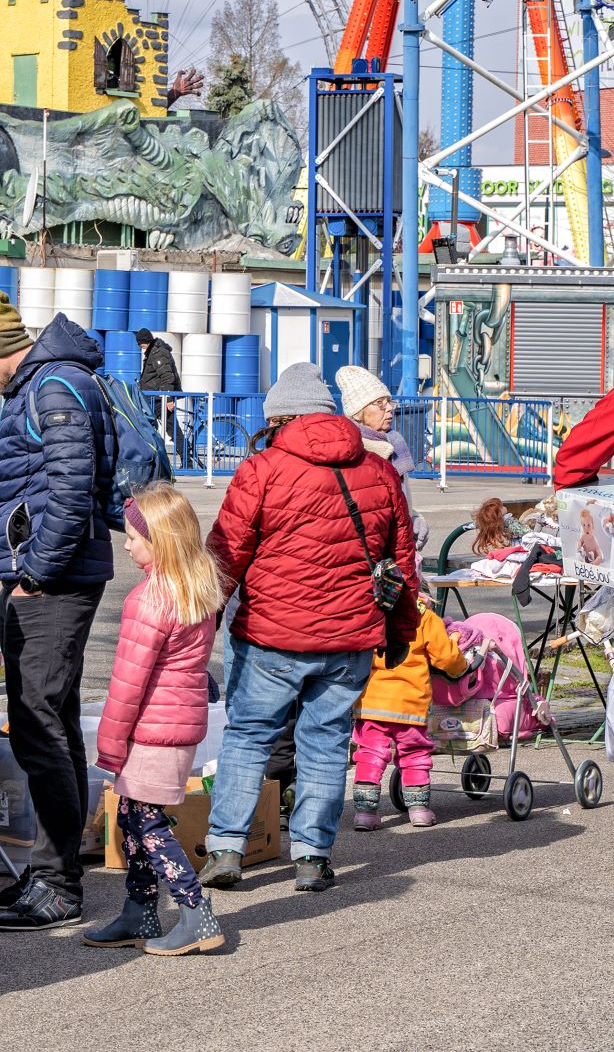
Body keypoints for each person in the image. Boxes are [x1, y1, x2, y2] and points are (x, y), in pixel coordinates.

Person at [200, 361, 419, 894]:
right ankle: (313, 858)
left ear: (280, 418)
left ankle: (227, 848)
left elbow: (226, 554)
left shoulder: (262, 469)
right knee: (325, 742)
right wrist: (400, 634)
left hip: (271, 634)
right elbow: (403, 563)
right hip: (350, 639)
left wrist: (200, 626)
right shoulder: (380, 470)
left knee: (250, 737)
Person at [0, 290, 115, 931]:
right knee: (52, 721)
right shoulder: (45, 385)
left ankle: (57, 884)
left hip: (53, 580)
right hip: (49, 575)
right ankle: (49, 868)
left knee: (40, 724)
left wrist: (37, 574)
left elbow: (72, 488)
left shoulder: (52, 387)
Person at [84, 484, 224, 956]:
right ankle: (139, 909)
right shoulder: (196, 588)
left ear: (160, 540)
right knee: (134, 814)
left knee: (146, 822)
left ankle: (194, 911)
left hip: (149, 729)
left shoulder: (148, 600)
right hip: (178, 725)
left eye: (132, 537)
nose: (126, 545)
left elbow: (128, 684)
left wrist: (110, 743)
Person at [352, 595, 482, 830]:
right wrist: (463, 665)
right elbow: (447, 658)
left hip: (372, 702)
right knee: (414, 755)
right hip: (410, 704)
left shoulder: (371, 612)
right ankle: (419, 811)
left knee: (370, 754)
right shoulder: (425, 618)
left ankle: (365, 813)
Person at [335, 364, 428, 551]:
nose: (389, 409)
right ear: (358, 413)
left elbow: (397, 501)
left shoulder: (394, 444)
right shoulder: (351, 451)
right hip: (368, 552)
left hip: (398, 547)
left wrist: (414, 518)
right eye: (379, 404)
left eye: (388, 402)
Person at [135, 327, 184, 450]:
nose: (140, 346)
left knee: (143, 424)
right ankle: (186, 461)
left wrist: (168, 398)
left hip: (158, 400)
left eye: (141, 343)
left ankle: (149, 455)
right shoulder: (153, 352)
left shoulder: (158, 353)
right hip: (156, 399)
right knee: (172, 429)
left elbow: (167, 377)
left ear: (146, 341)